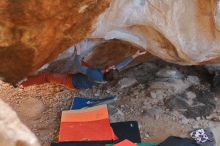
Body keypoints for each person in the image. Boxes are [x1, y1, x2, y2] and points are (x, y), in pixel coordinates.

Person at [20, 44, 146, 90]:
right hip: (82, 81)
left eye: (112, 67)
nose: (114, 65)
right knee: (89, 67)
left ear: (107, 70)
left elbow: (78, 67)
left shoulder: (95, 74)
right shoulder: (107, 75)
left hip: (71, 82)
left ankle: (23, 85)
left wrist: (78, 53)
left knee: (48, 76)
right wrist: (134, 56)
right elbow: (121, 65)